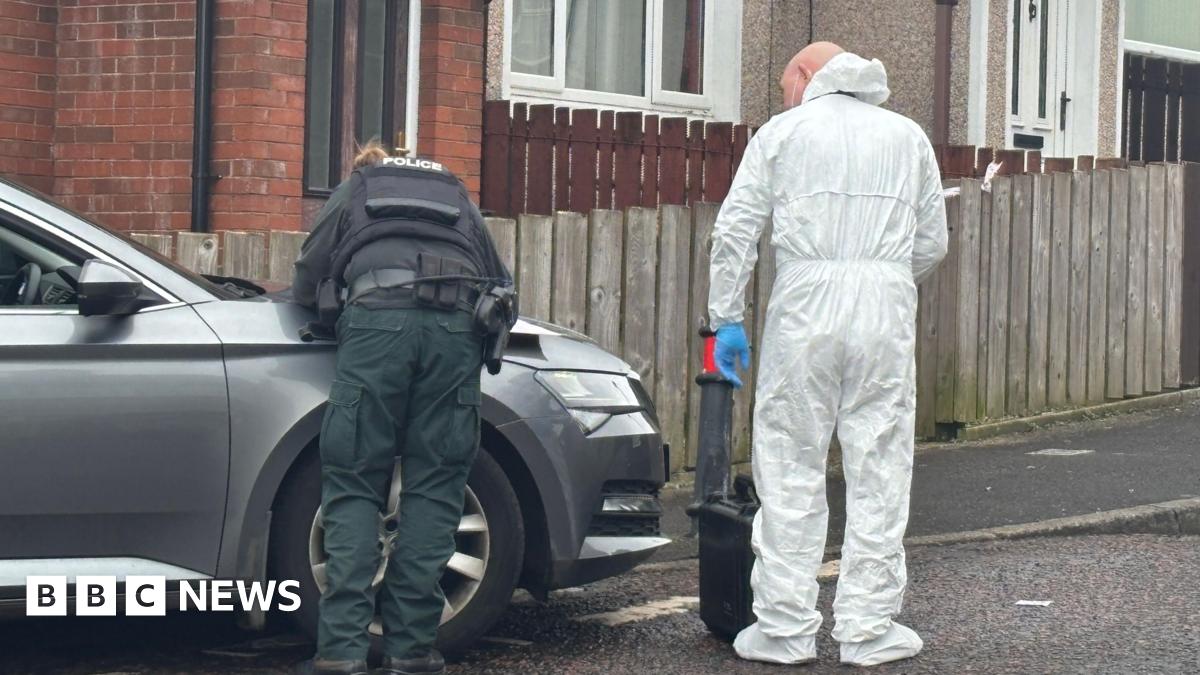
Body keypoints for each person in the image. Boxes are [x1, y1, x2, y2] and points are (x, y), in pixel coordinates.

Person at [707, 43, 948, 667]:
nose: (786, 95)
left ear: (805, 75)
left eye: (788, 83)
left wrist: (724, 320)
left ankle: (784, 630)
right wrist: (886, 277)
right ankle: (868, 630)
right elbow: (933, 243)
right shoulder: (908, 136)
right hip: (884, 304)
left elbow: (735, 231)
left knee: (790, 463)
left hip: (805, 304)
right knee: (880, 465)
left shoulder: (784, 133)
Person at [292, 140, 515, 675]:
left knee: (353, 483)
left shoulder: (357, 189)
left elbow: (308, 275)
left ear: (365, 165)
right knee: (436, 486)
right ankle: (411, 652)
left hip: (376, 329)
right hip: (456, 332)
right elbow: (503, 284)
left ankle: (342, 653)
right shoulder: (457, 196)